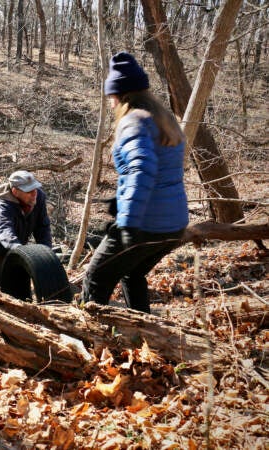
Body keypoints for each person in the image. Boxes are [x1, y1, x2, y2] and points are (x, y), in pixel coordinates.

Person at [81, 52, 189, 313]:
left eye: (112, 97)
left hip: (145, 225)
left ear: (119, 96)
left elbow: (141, 169)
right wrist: (121, 200)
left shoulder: (134, 121)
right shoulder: (163, 118)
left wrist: (128, 222)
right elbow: (161, 169)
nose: (111, 103)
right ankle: (144, 336)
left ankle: (89, 344)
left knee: (95, 279)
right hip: (173, 225)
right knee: (132, 274)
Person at [0, 170, 52, 287]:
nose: (34, 193)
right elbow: (5, 231)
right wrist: (20, 250)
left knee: (19, 271)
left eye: (35, 187)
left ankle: (21, 298)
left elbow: (42, 226)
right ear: (15, 191)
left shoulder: (38, 197)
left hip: (17, 232)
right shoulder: (2, 207)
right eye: (29, 190)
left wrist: (47, 252)